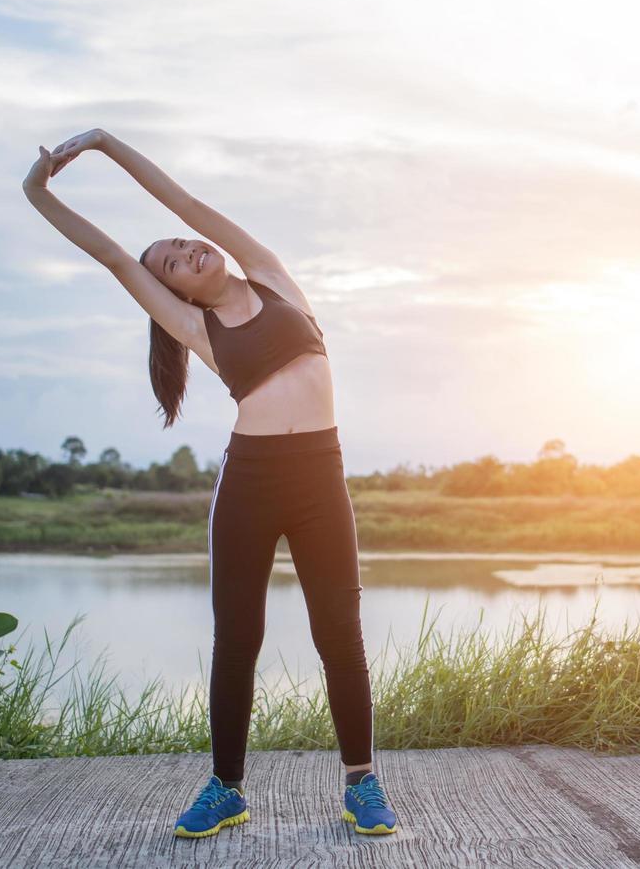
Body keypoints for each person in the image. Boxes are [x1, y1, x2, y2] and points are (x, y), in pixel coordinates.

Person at [21, 130, 399, 839]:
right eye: (172, 263)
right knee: (238, 639)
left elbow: (184, 200)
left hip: (321, 477)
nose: (187, 250)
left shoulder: (270, 275)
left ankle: (361, 783)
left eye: (181, 243)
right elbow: (108, 255)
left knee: (339, 635)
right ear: (176, 294)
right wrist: (36, 192)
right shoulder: (198, 328)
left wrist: (104, 143)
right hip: (250, 482)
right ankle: (226, 787)